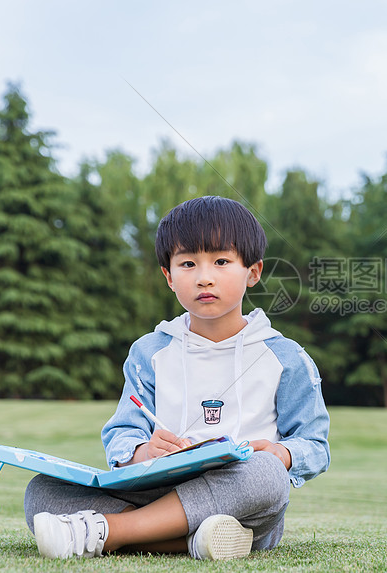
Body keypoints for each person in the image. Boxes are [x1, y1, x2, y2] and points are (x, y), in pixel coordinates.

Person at [24, 196, 331, 560]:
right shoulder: (149, 352)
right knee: (42, 490)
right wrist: (143, 452)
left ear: (253, 271)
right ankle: (194, 542)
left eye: (221, 261)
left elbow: (314, 444)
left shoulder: (286, 357)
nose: (204, 277)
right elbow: (123, 432)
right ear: (169, 277)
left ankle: (113, 531)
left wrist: (282, 453)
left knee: (266, 474)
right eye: (188, 264)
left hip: (238, 500)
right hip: (156, 489)